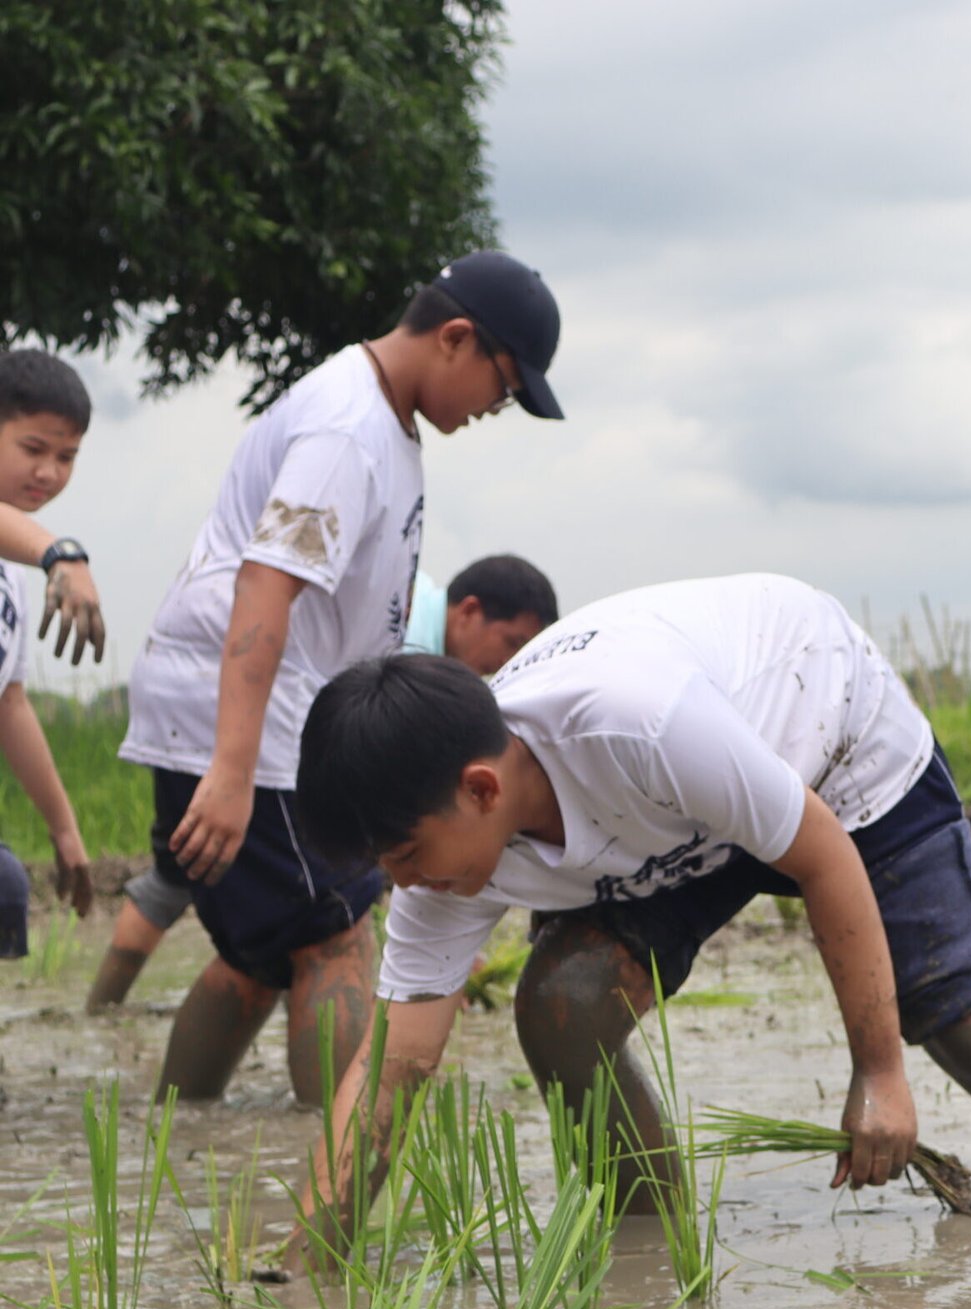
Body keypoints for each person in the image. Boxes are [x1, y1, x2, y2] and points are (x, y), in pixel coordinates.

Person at [294, 572, 971, 1235]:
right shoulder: (444, 845)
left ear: (481, 789)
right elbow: (395, 1064)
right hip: (673, 821)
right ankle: (649, 1251)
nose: (402, 885)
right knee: (565, 1003)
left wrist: (878, 1073)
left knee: (967, 1023)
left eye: (407, 857)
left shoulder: (639, 725)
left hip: (826, 743)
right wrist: (309, 1257)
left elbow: (824, 856)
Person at [115, 250, 564, 1105]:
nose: (492, 409)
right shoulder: (348, 428)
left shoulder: (382, 421)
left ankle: (176, 1138)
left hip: (267, 716)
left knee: (258, 955)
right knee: (335, 931)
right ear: (456, 338)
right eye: (503, 387)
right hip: (257, 722)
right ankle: (338, 1153)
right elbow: (266, 583)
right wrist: (234, 768)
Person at [86, 553, 559, 1010]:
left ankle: (102, 1009)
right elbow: (401, 824)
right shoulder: (409, 651)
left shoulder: (404, 604)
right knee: (329, 925)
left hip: (187, 709)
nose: (507, 661)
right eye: (512, 642)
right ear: (469, 612)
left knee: (192, 885)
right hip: (260, 739)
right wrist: (443, 958)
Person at [0, 351, 101, 953]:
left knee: (6, 888)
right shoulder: (36, 554)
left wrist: (64, 830)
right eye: (32, 448)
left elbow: (9, 703)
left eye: (66, 457)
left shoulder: (12, 575)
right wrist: (60, 555)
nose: (48, 472)